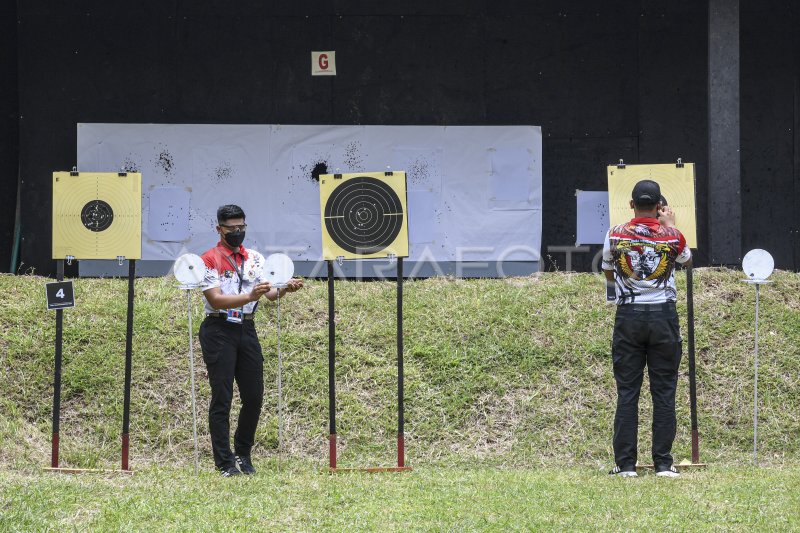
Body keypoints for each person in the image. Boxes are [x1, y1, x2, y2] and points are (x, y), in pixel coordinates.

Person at [199, 204, 303, 477]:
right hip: (218, 329)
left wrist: (285, 289)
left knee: (254, 396)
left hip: (246, 327)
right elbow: (216, 299)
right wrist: (249, 297)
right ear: (219, 229)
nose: (237, 232)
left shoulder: (255, 258)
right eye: (231, 228)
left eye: (241, 227)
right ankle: (224, 462)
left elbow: (269, 295)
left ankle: (243, 454)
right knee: (222, 397)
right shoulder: (208, 259)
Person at [601, 180, 692, 478]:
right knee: (664, 391)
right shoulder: (673, 236)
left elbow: (607, 268)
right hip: (663, 317)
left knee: (628, 392)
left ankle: (626, 465)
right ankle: (663, 464)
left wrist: (613, 294)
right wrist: (670, 224)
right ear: (659, 205)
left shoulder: (615, 233)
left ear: (631, 205)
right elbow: (686, 260)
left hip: (628, 316)